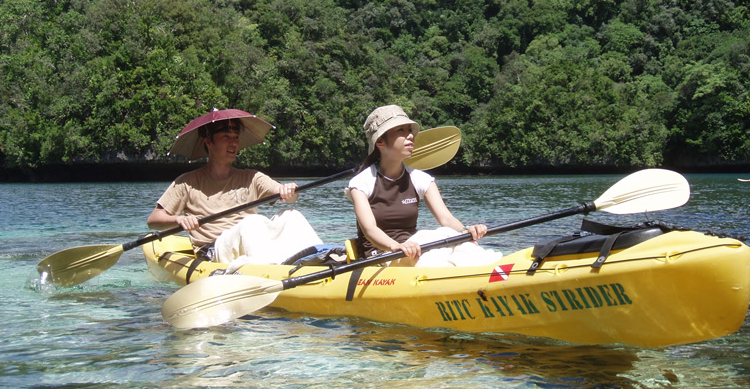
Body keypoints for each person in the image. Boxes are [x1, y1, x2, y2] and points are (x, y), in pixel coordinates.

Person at [147, 117, 320, 264]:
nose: (233, 143)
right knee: (252, 222)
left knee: (291, 215)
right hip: (214, 250)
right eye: (225, 136)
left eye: (236, 137)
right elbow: (154, 220)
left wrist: (288, 191)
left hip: (248, 241)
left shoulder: (252, 177)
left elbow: (285, 194)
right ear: (209, 142)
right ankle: (270, 270)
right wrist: (179, 220)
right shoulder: (186, 183)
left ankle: (319, 258)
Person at [346, 105, 500, 267]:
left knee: (451, 237)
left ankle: (496, 269)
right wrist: (396, 246)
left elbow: (446, 219)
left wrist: (466, 232)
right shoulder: (361, 183)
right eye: (401, 130)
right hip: (382, 257)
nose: (410, 135)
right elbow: (370, 229)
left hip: (414, 249)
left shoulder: (420, 179)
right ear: (381, 142)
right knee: (438, 245)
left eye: (410, 130)